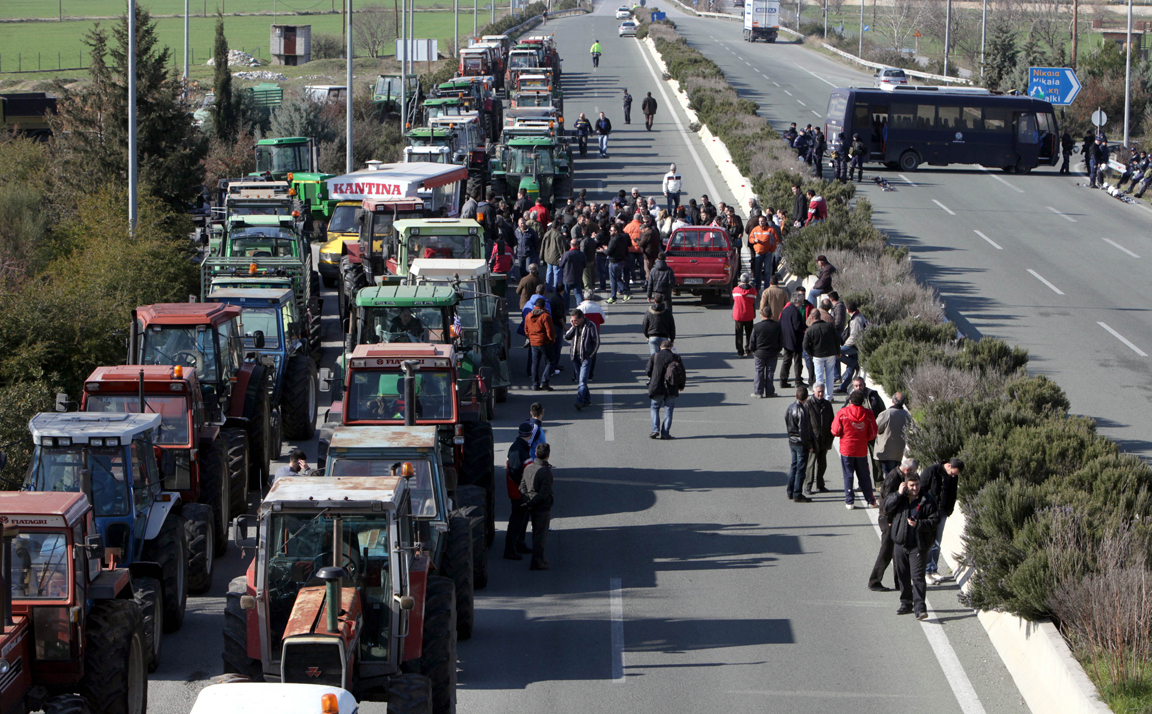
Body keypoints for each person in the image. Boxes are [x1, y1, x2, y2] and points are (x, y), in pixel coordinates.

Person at [885, 471, 939, 620]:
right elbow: (887, 507)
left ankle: (920, 608)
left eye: (917, 485)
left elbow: (935, 521)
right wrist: (898, 493)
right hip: (900, 544)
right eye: (912, 485)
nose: (915, 488)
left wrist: (919, 524)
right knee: (902, 575)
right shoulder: (900, 498)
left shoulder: (927, 500)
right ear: (906, 485)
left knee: (918, 577)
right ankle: (906, 603)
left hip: (918, 546)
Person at [868, 458, 919, 592]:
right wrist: (890, 520)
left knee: (898, 552)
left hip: (894, 519)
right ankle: (874, 581)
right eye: (912, 472)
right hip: (888, 519)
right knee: (886, 551)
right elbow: (887, 503)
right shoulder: (893, 479)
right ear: (907, 470)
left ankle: (900, 583)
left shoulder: (899, 476)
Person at [831, 390, 878, 510]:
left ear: (850, 400)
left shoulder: (842, 413)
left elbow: (835, 431)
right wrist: (863, 439)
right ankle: (870, 500)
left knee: (848, 475)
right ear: (862, 401)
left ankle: (850, 501)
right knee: (864, 475)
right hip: (861, 449)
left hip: (847, 449)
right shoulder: (868, 414)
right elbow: (873, 432)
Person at [920, 459, 962, 585]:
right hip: (929, 513)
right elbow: (921, 490)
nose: (953, 476)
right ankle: (926, 572)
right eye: (952, 473)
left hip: (942, 512)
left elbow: (953, 493)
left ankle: (933, 569)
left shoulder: (953, 477)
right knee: (929, 542)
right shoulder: (931, 471)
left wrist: (949, 509)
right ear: (948, 466)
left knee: (937, 543)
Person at [519, 442, 555, 570]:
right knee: (540, 535)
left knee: (536, 534)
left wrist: (526, 500)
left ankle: (540, 559)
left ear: (536, 454)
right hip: (542, 507)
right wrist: (531, 502)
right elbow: (544, 493)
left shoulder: (528, 468)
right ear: (548, 455)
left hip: (530, 504)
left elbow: (522, 486)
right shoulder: (545, 472)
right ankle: (537, 561)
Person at [503, 423, 536, 559]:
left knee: (523, 518)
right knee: (517, 520)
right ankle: (510, 550)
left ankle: (519, 543)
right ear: (530, 434)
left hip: (521, 491)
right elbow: (515, 473)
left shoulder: (520, 447)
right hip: (518, 492)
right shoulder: (518, 450)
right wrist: (526, 487)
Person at [646, 339, 684, 439]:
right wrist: (681, 386)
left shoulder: (655, 356)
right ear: (671, 347)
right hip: (671, 387)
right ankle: (665, 433)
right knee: (668, 410)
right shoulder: (676, 357)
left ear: (661, 347)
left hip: (656, 387)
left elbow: (648, 371)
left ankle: (655, 429)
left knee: (654, 408)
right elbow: (682, 373)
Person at [565, 309, 600, 411]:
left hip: (585, 357)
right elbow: (567, 337)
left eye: (576, 320)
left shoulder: (590, 326)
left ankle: (579, 402)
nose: (574, 322)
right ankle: (587, 399)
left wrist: (591, 356)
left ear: (582, 318)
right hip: (575, 357)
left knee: (582, 381)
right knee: (581, 381)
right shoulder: (575, 326)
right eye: (572, 320)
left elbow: (596, 342)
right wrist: (573, 326)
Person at [804, 383, 834, 494]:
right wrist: (809, 442)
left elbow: (832, 421)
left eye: (822, 391)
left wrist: (830, 438)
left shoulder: (827, 405)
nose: (820, 394)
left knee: (822, 464)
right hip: (813, 440)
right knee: (810, 465)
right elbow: (805, 425)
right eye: (818, 391)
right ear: (813, 391)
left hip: (824, 439)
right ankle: (807, 486)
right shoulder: (808, 405)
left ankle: (820, 485)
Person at [784, 387, 813, 502]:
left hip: (792, 441)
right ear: (806, 397)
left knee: (794, 466)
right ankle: (797, 493)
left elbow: (787, 421)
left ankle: (790, 491)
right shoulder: (802, 410)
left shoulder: (790, 407)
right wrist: (809, 445)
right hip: (800, 443)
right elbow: (803, 431)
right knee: (801, 469)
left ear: (796, 396)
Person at [802, 311, 839, 401]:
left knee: (819, 376)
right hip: (830, 354)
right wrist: (838, 351)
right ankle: (829, 397)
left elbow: (805, 345)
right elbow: (836, 339)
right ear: (820, 316)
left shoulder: (810, 329)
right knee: (830, 376)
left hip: (817, 355)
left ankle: (819, 396)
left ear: (812, 317)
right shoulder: (829, 326)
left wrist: (811, 354)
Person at [875, 393, 912, 476]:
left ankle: (889, 489)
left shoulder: (886, 414)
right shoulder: (906, 415)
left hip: (886, 451)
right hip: (899, 452)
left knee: (889, 475)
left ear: (892, 401)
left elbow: (876, 428)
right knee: (896, 474)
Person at [750, 306, 782, 398]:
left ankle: (758, 392)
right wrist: (778, 350)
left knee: (759, 371)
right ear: (771, 315)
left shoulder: (757, 326)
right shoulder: (777, 326)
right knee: (770, 372)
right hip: (772, 353)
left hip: (760, 353)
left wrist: (754, 350)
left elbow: (752, 341)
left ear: (762, 315)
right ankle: (770, 392)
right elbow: (781, 340)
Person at [526, 296, 556, 391]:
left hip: (533, 343)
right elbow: (550, 331)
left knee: (535, 363)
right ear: (543, 306)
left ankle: (535, 384)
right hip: (544, 342)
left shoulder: (528, 315)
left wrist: (531, 337)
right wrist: (551, 340)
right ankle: (544, 382)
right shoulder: (545, 316)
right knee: (550, 361)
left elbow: (526, 330)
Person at [836, 300, 866, 390]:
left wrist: (844, 345)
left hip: (855, 346)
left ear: (848, 310)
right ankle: (843, 387)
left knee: (836, 353)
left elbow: (854, 337)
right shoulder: (855, 317)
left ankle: (853, 362)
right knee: (850, 368)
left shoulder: (857, 319)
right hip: (854, 345)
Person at [779, 292, 806, 389]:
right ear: (797, 301)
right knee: (797, 361)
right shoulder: (796, 312)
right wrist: (805, 326)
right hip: (795, 339)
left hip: (786, 339)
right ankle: (798, 380)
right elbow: (798, 326)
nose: (802, 304)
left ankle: (783, 380)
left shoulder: (786, 310)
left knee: (786, 360)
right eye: (801, 302)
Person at [747, 216, 778, 292]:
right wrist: (754, 240)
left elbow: (776, 241)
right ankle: (758, 287)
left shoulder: (771, 230)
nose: (761, 222)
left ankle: (766, 288)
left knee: (767, 272)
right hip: (758, 253)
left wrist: (771, 250)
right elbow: (750, 238)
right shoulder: (755, 229)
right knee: (757, 271)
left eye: (762, 221)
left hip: (767, 254)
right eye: (760, 221)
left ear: (766, 221)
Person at [605, 222, 632, 304]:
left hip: (614, 261)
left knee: (613, 280)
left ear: (616, 231)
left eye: (611, 230)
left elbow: (608, 252)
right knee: (618, 279)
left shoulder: (614, 239)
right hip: (621, 261)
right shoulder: (623, 238)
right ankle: (626, 293)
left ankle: (613, 297)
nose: (610, 231)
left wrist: (603, 250)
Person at [732, 273, 757, 357]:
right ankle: (748, 350)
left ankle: (740, 351)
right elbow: (754, 299)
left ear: (741, 280)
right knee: (749, 333)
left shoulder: (735, 290)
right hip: (749, 314)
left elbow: (734, 299)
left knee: (739, 333)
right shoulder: (753, 291)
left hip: (738, 315)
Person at [559, 238, 587, 308]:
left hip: (567, 277)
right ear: (578, 245)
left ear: (570, 245)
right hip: (577, 277)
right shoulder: (581, 254)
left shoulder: (566, 254)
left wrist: (560, 260)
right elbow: (585, 265)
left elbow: (561, 265)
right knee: (578, 294)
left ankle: (566, 309)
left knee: (566, 294)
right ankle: (580, 309)